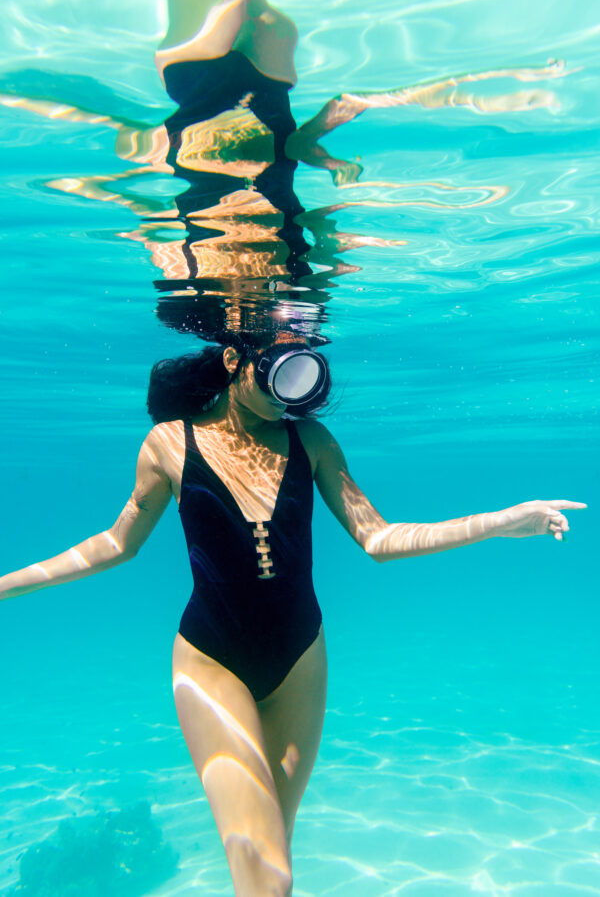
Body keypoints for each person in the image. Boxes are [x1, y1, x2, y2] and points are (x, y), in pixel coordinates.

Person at [0, 334, 586, 896]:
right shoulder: (170, 442)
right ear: (235, 359)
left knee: (272, 863)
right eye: (280, 373)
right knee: (268, 874)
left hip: (300, 662)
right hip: (211, 661)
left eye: (302, 377)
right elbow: (116, 543)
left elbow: (379, 538)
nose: (289, 395)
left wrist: (501, 522)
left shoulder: (313, 440)